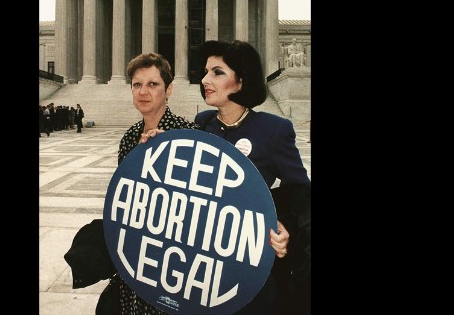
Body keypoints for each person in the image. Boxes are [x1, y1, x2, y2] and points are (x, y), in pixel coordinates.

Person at [193, 40, 311, 315]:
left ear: (241, 81)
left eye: (217, 72)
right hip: (201, 259)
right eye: (206, 71)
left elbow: (301, 189)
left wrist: (285, 227)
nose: (205, 79)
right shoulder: (202, 123)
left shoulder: (273, 129)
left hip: (246, 260)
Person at [111, 52, 201, 314]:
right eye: (137, 84)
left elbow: (198, 209)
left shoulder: (188, 136)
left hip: (173, 262)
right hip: (137, 256)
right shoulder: (129, 138)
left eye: (153, 84)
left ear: (169, 89)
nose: (143, 92)